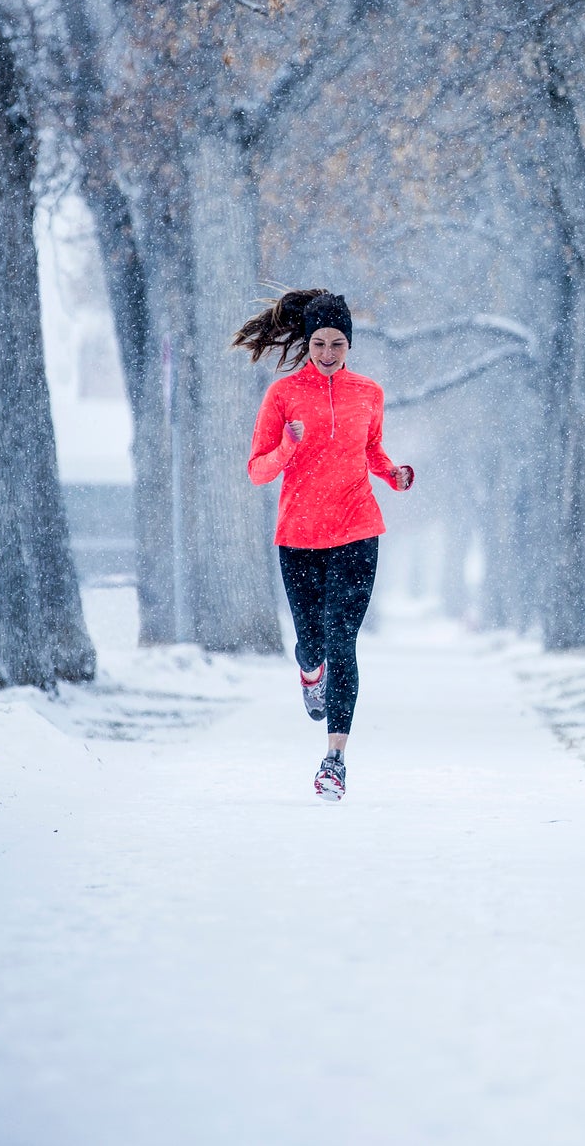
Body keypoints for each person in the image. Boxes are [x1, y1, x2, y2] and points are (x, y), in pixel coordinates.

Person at [235, 289, 413, 801]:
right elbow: (257, 470)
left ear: (350, 344)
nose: (328, 352)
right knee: (312, 642)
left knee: (343, 641)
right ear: (308, 342)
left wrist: (394, 474)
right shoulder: (284, 395)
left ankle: (334, 759)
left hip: (357, 530)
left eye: (338, 343)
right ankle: (308, 671)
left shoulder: (369, 393)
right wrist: (289, 446)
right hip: (300, 535)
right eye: (319, 342)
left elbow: (372, 451)